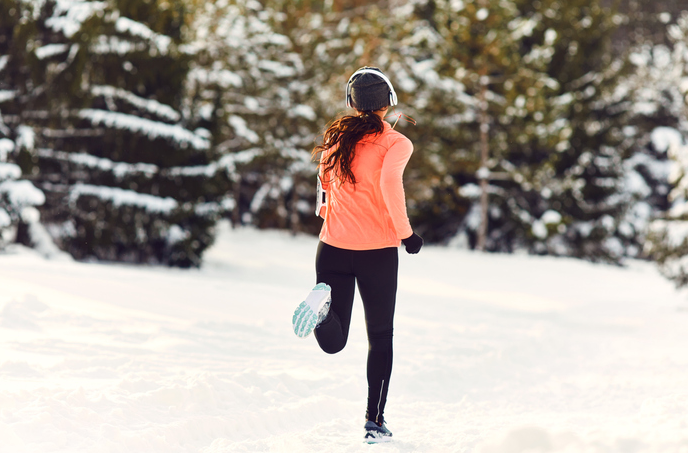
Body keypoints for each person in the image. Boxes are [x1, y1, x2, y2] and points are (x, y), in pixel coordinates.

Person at [291, 66, 423, 442]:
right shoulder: (397, 143)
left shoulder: (335, 138)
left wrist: (332, 221)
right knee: (380, 336)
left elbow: (323, 193)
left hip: (331, 248)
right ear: (389, 102)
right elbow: (389, 185)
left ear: (352, 102)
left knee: (334, 341)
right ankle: (374, 422)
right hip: (376, 252)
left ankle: (319, 308)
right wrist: (406, 234)